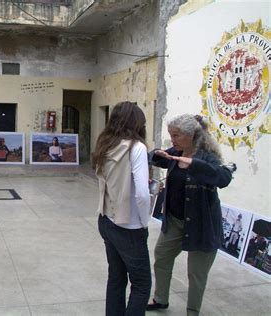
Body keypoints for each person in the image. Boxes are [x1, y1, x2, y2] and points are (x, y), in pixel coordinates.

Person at [147, 114, 233, 316]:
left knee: (196, 273)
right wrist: (158, 154)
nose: (172, 140)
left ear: (191, 135)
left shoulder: (207, 157)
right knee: (162, 257)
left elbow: (223, 177)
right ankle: (160, 299)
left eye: (176, 135)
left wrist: (194, 164)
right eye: (171, 135)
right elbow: (155, 158)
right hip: (175, 221)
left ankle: (192, 311)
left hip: (201, 225)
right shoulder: (176, 151)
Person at [93, 101, 151, 316]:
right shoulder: (136, 147)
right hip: (130, 226)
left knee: (116, 278)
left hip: (106, 220)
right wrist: (144, 222)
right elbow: (143, 194)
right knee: (142, 284)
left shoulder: (105, 144)